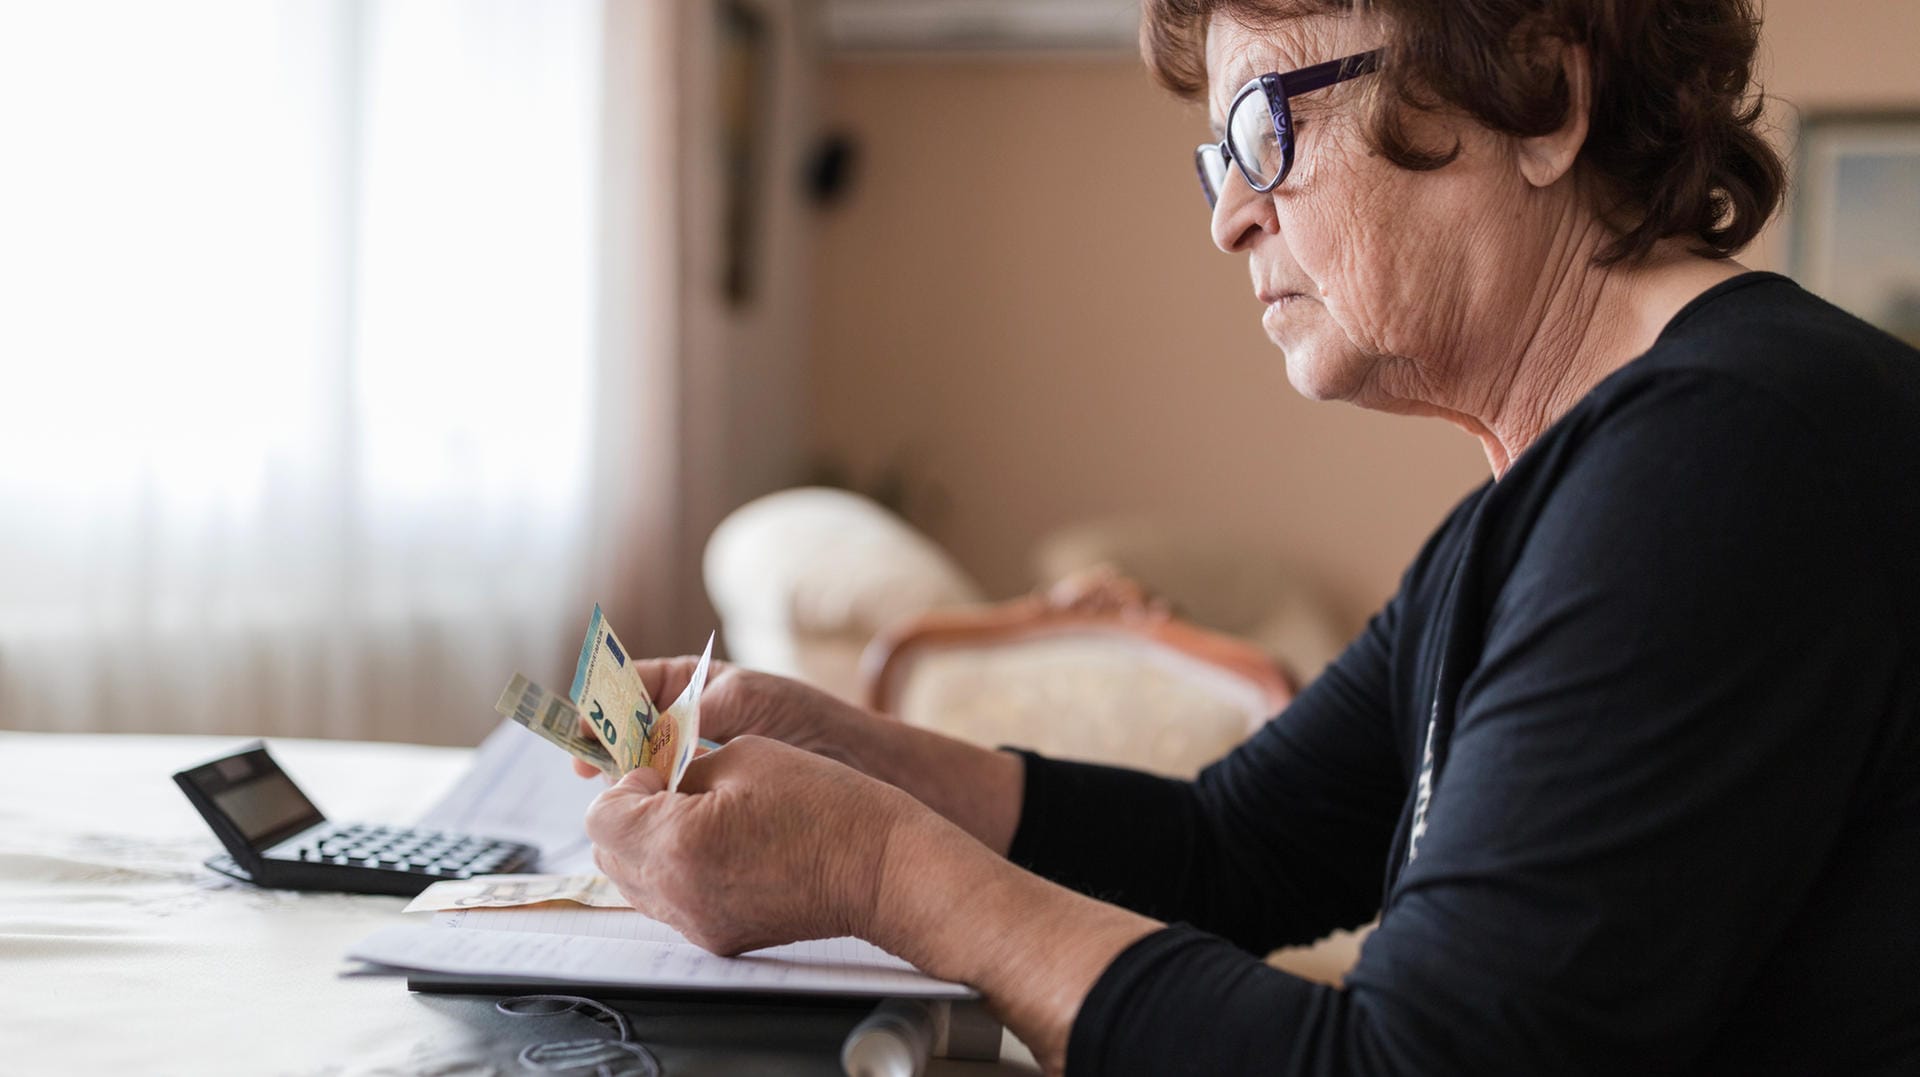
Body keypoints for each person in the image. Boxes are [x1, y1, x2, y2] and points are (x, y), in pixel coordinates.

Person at [578, 0, 1920, 1072]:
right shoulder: (1566, 494)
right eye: (1221, 156)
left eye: (1271, 124)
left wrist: (875, 864)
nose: (1231, 215)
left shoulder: (1731, 456)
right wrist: (853, 748)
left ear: (1544, 92)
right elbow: (1234, 846)